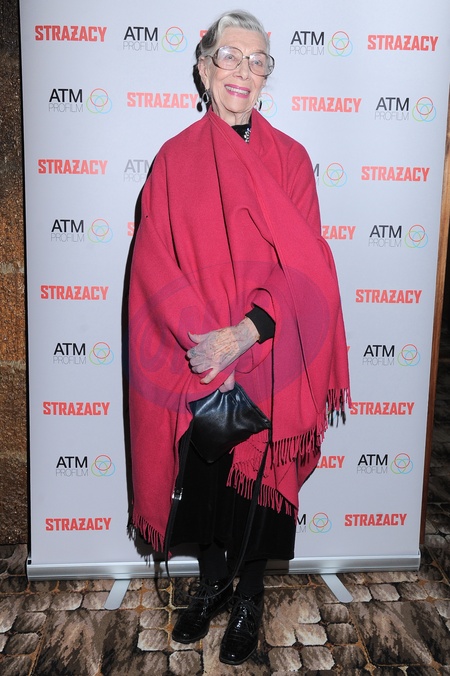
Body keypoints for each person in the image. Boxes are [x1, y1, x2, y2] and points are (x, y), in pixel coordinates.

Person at [128, 10, 350, 666]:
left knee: (259, 487)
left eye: (258, 61)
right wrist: (206, 343)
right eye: (230, 56)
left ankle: (249, 594)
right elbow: (153, 259)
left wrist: (246, 332)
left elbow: (309, 267)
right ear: (204, 69)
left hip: (273, 352)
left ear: (266, 76)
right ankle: (211, 585)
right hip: (197, 355)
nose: (243, 71)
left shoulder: (292, 160)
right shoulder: (173, 159)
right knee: (206, 480)